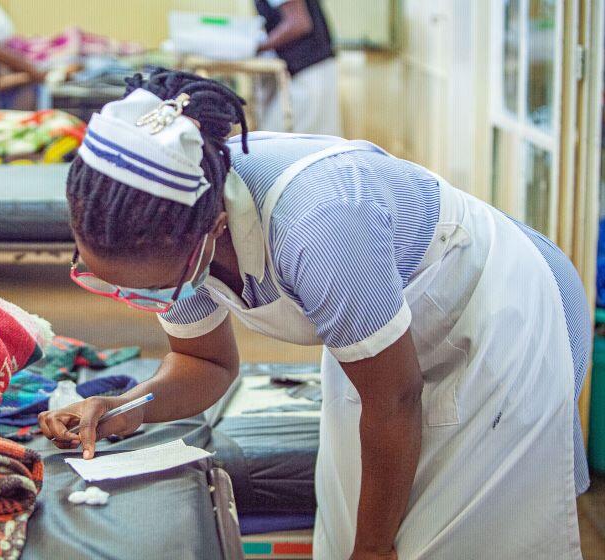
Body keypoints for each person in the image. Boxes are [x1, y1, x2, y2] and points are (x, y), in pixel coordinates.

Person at [39, 69, 589, 559]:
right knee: (349, 525)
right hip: (390, 349)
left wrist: (373, 549)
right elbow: (203, 362)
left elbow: (394, 399)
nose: (147, 300)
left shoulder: (321, 223)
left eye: (157, 288)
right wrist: (125, 405)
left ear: (211, 231)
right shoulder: (170, 233)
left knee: (463, 540)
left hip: (499, 316)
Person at [254, 0, 340, 136]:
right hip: (310, 69)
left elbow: (299, 23)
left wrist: (255, 46)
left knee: (275, 141)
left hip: (309, 71)